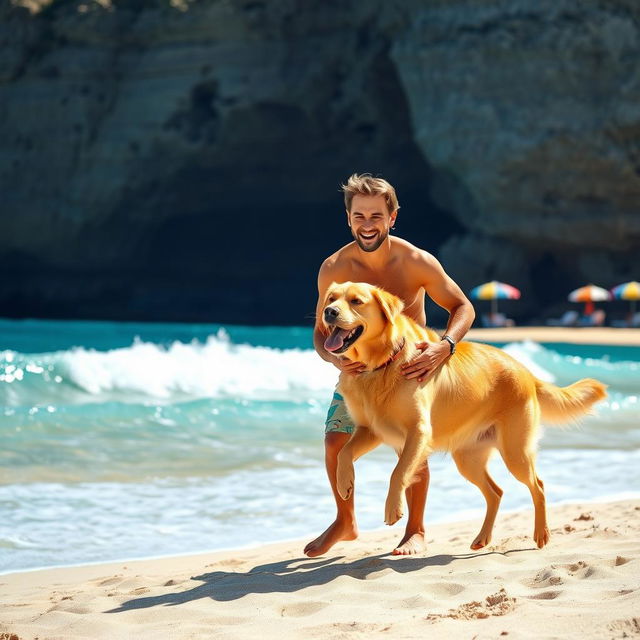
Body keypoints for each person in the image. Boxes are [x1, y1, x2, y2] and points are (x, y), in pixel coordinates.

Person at [304, 173, 476, 558]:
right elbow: (320, 331)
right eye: (359, 216)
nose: (368, 224)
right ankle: (345, 521)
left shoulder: (416, 261)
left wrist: (445, 346)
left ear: (392, 217)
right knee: (335, 441)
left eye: (376, 216)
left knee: (412, 444)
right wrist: (333, 357)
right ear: (348, 219)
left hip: (410, 367)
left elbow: (462, 306)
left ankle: (415, 530)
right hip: (359, 372)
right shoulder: (333, 269)